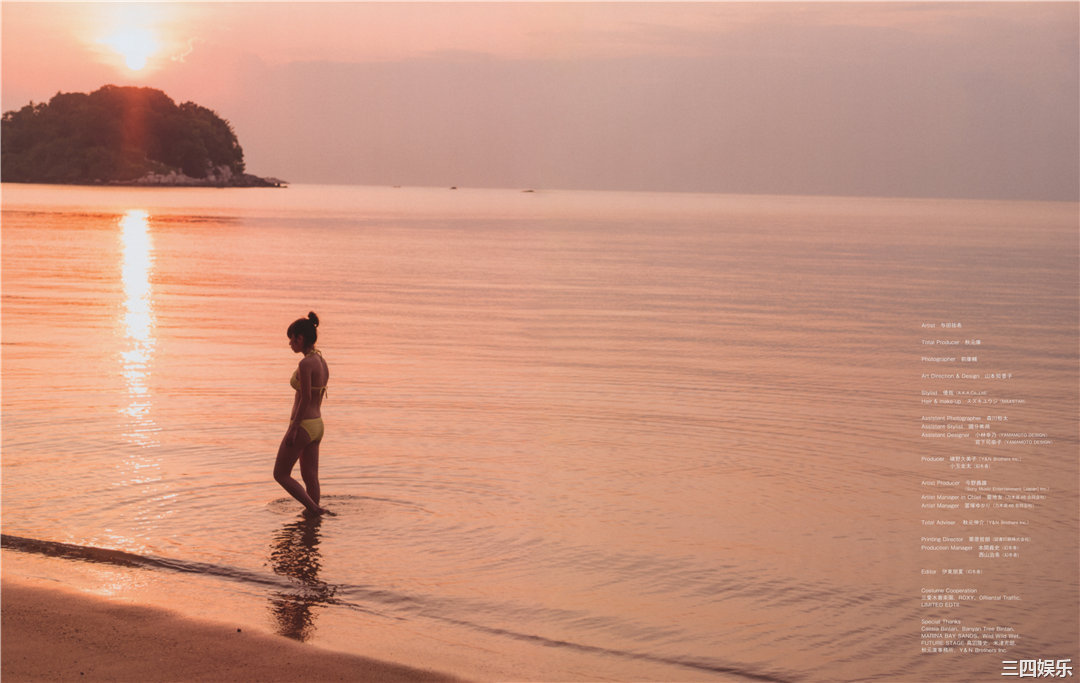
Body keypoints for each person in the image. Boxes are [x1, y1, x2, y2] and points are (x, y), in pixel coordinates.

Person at [274, 311, 331, 515]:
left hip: (304, 425)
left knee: (280, 474)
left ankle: (314, 510)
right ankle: (311, 524)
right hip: (317, 425)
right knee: (310, 478)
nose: (290, 344)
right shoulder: (321, 361)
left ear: (300, 338)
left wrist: (293, 429)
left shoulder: (305, 363)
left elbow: (306, 398)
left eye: (291, 339)